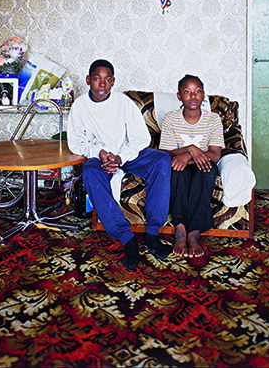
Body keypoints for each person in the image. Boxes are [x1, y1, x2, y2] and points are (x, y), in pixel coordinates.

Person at [67, 59, 172, 269]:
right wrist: (99, 152)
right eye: (97, 79)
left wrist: (120, 158)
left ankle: (152, 233)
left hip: (128, 154)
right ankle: (127, 238)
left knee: (162, 160)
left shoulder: (123, 103)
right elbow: (76, 142)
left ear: (113, 82)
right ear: (89, 80)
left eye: (107, 80)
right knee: (90, 172)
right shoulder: (79, 106)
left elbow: (141, 139)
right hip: (100, 157)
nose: (102, 84)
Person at [160, 74, 224, 258]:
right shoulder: (171, 119)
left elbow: (215, 154)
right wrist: (190, 149)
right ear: (179, 96)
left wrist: (189, 154)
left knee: (207, 170)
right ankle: (180, 230)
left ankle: (194, 232)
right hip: (180, 164)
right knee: (178, 171)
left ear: (203, 95)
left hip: (204, 164)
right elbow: (167, 152)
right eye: (187, 92)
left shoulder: (213, 119)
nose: (193, 96)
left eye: (197, 91)